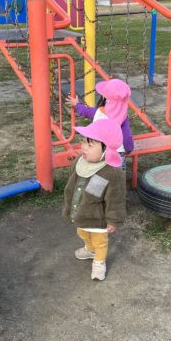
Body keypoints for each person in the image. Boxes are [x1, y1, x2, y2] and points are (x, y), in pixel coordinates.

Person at [63, 119, 126, 281]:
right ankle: (90, 250)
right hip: (80, 213)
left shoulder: (112, 173)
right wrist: (69, 206)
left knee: (100, 241)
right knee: (82, 232)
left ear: (106, 150)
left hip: (98, 219)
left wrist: (113, 220)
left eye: (90, 145)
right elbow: (71, 184)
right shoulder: (79, 161)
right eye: (83, 141)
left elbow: (116, 200)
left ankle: (99, 262)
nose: (83, 147)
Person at [65, 78, 134, 170]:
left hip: (97, 150)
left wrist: (76, 104)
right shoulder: (123, 118)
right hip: (116, 152)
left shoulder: (99, 111)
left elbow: (86, 111)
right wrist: (129, 148)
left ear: (105, 98)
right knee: (117, 172)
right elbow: (126, 136)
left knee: (97, 170)